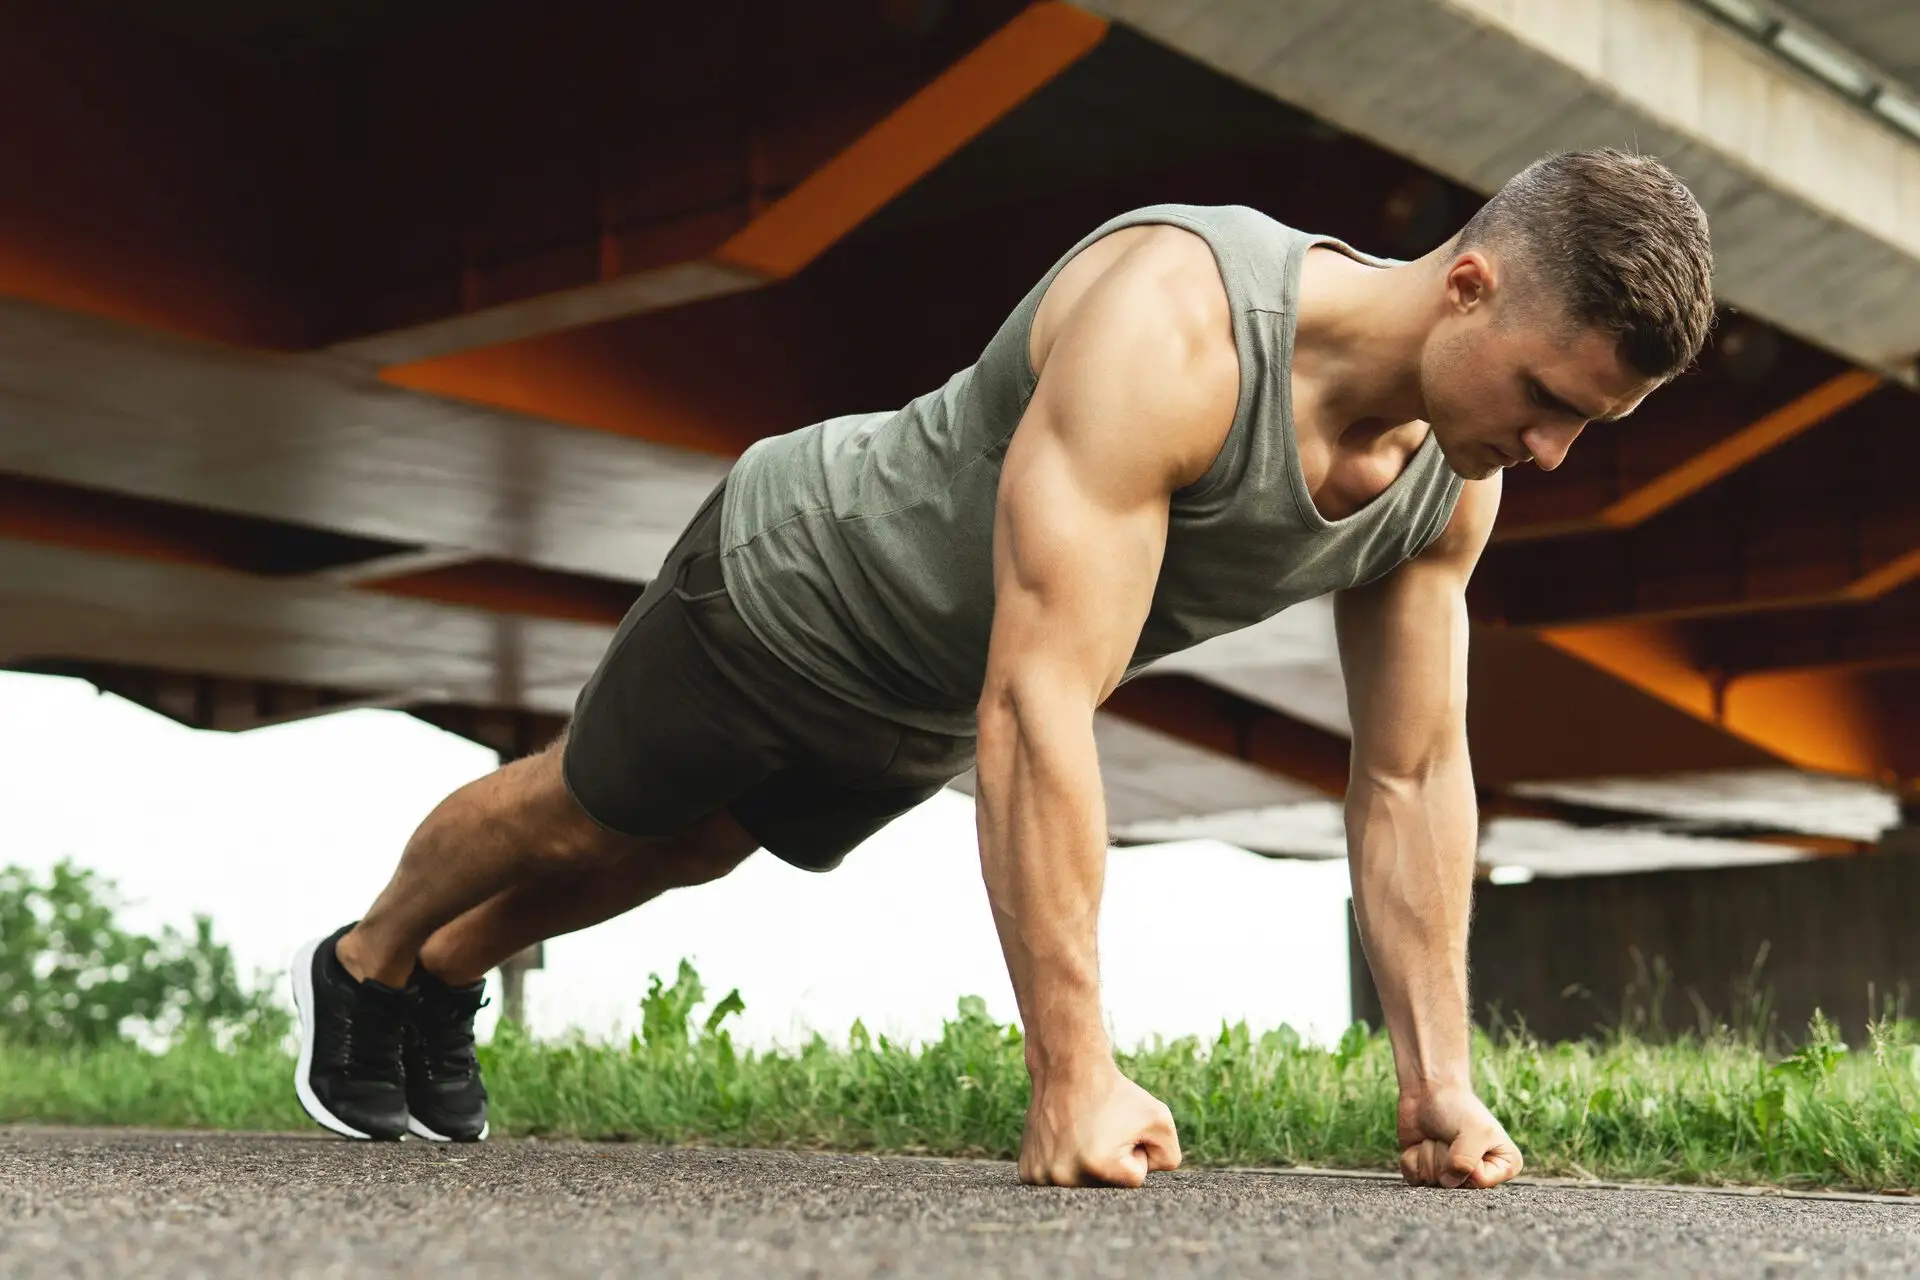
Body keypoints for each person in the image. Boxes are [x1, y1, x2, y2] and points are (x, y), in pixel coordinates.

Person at [289, 147, 1713, 1187]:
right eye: (1544, 399)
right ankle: (365, 964)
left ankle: (444, 975)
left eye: (1587, 424)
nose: (1550, 453)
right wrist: (1073, 1076)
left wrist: (1438, 1084)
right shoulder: (1184, 325)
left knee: (695, 848)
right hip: (805, 581)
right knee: (583, 809)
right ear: (1468, 286)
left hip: (920, 694)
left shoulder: (1451, 482)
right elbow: (1042, 699)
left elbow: (1410, 773)